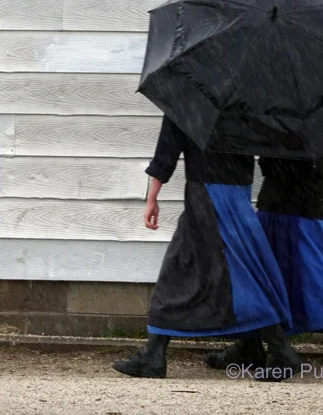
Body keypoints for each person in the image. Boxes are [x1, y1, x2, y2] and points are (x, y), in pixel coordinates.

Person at [111, 115, 300, 381]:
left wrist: (152, 196)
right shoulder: (246, 98)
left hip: (208, 192)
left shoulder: (189, 97)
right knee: (238, 270)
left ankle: (280, 351)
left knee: (187, 268)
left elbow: (168, 145)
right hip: (238, 189)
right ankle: (264, 348)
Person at [203, 152, 323, 375]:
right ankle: (250, 344)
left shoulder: (292, 132)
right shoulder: (313, 131)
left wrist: (263, 155)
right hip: (301, 198)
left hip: (294, 203)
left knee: (314, 275)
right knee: (262, 273)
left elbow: (277, 161)